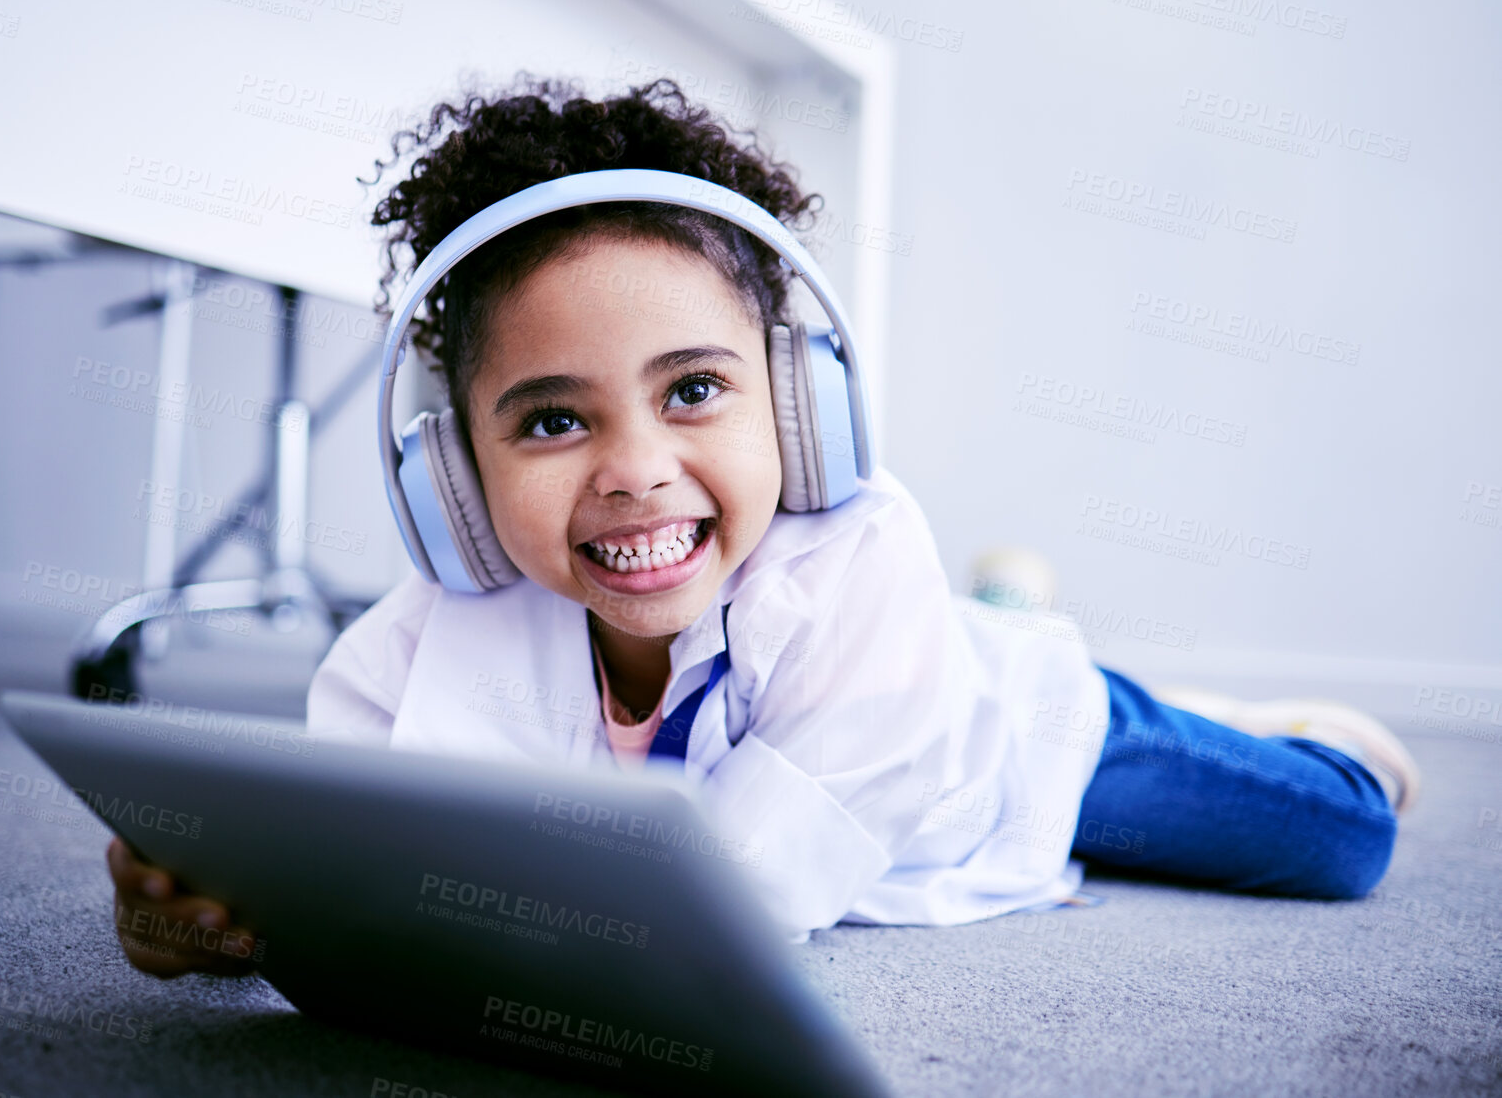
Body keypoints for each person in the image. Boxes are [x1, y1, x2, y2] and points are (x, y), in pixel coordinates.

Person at [107, 75, 1420, 977]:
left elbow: (735, 897)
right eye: (553, 420)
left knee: (1340, 838)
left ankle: (1168, 688)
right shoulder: (414, 650)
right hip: (907, 687)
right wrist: (232, 919)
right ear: (454, 472)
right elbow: (367, 874)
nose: (635, 473)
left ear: (801, 406)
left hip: (1008, 743)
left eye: (693, 391)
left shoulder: (855, 562)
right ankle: (1001, 605)